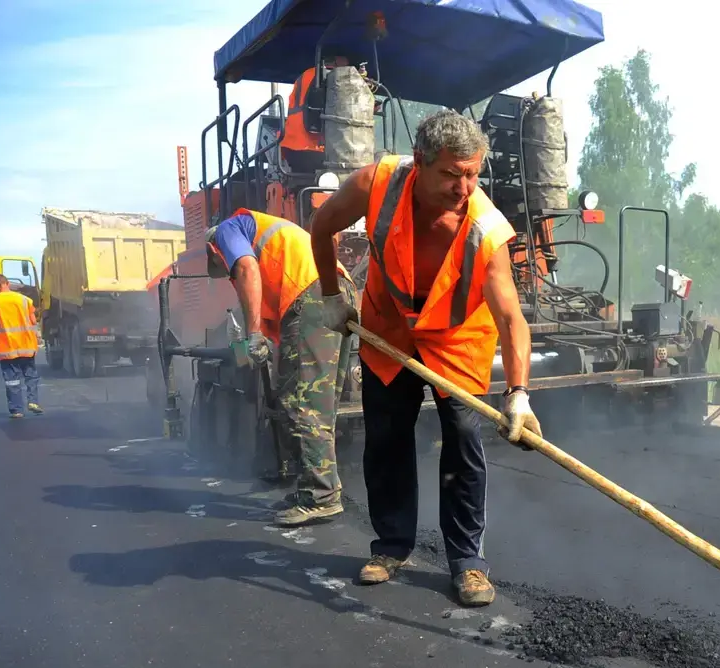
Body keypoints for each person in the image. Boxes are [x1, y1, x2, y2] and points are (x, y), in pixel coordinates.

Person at [309, 109, 541, 608]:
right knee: (387, 437)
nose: (464, 187)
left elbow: (511, 318)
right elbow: (321, 224)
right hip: (389, 324)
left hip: (455, 336)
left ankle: (468, 563)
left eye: (473, 174)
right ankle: (391, 547)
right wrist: (332, 298)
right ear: (420, 162)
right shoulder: (376, 184)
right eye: (452, 174)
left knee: (462, 438)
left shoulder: (487, 228)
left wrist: (518, 395)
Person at [204, 210, 358, 526]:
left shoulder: (228, 231)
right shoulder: (270, 242)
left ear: (214, 250)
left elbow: (246, 268)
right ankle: (318, 490)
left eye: (225, 271)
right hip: (336, 288)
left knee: (300, 405)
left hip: (312, 296)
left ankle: (320, 496)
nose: (231, 276)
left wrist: (252, 335)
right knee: (320, 404)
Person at [0, 274, 42, 418]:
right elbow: (33, 321)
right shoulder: (25, 300)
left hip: (6, 348)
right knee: (30, 375)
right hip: (26, 345)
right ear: (7, 283)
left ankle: (17, 410)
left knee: (12, 379)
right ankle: (33, 401)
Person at [281, 56, 351, 174]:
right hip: (311, 148)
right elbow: (341, 106)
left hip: (291, 146)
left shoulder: (308, 74)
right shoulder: (329, 77)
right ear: (337, 60)